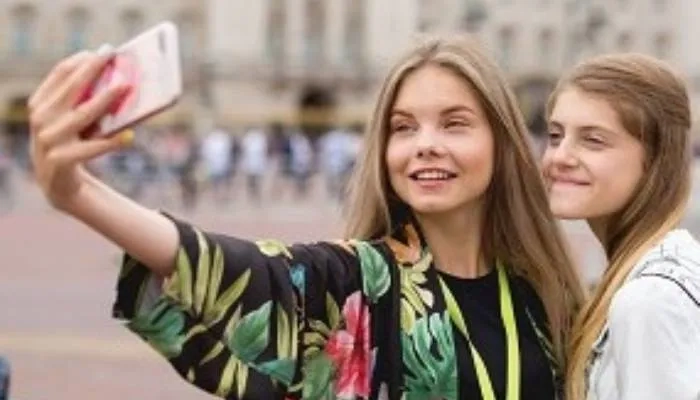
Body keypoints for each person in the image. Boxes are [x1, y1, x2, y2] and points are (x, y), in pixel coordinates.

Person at [28, 37, 583, 399]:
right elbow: (239, 269)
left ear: (503, 142)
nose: (425, 145)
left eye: (455, 123)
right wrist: (79, 194)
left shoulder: (548, 294)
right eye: (404, 127)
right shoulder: (358, 282)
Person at [541, 53, 700, 400]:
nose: (560, 157)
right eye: (555, 136)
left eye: (593, 140)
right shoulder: (663, 272)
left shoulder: (651, 299)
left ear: (656, 160)